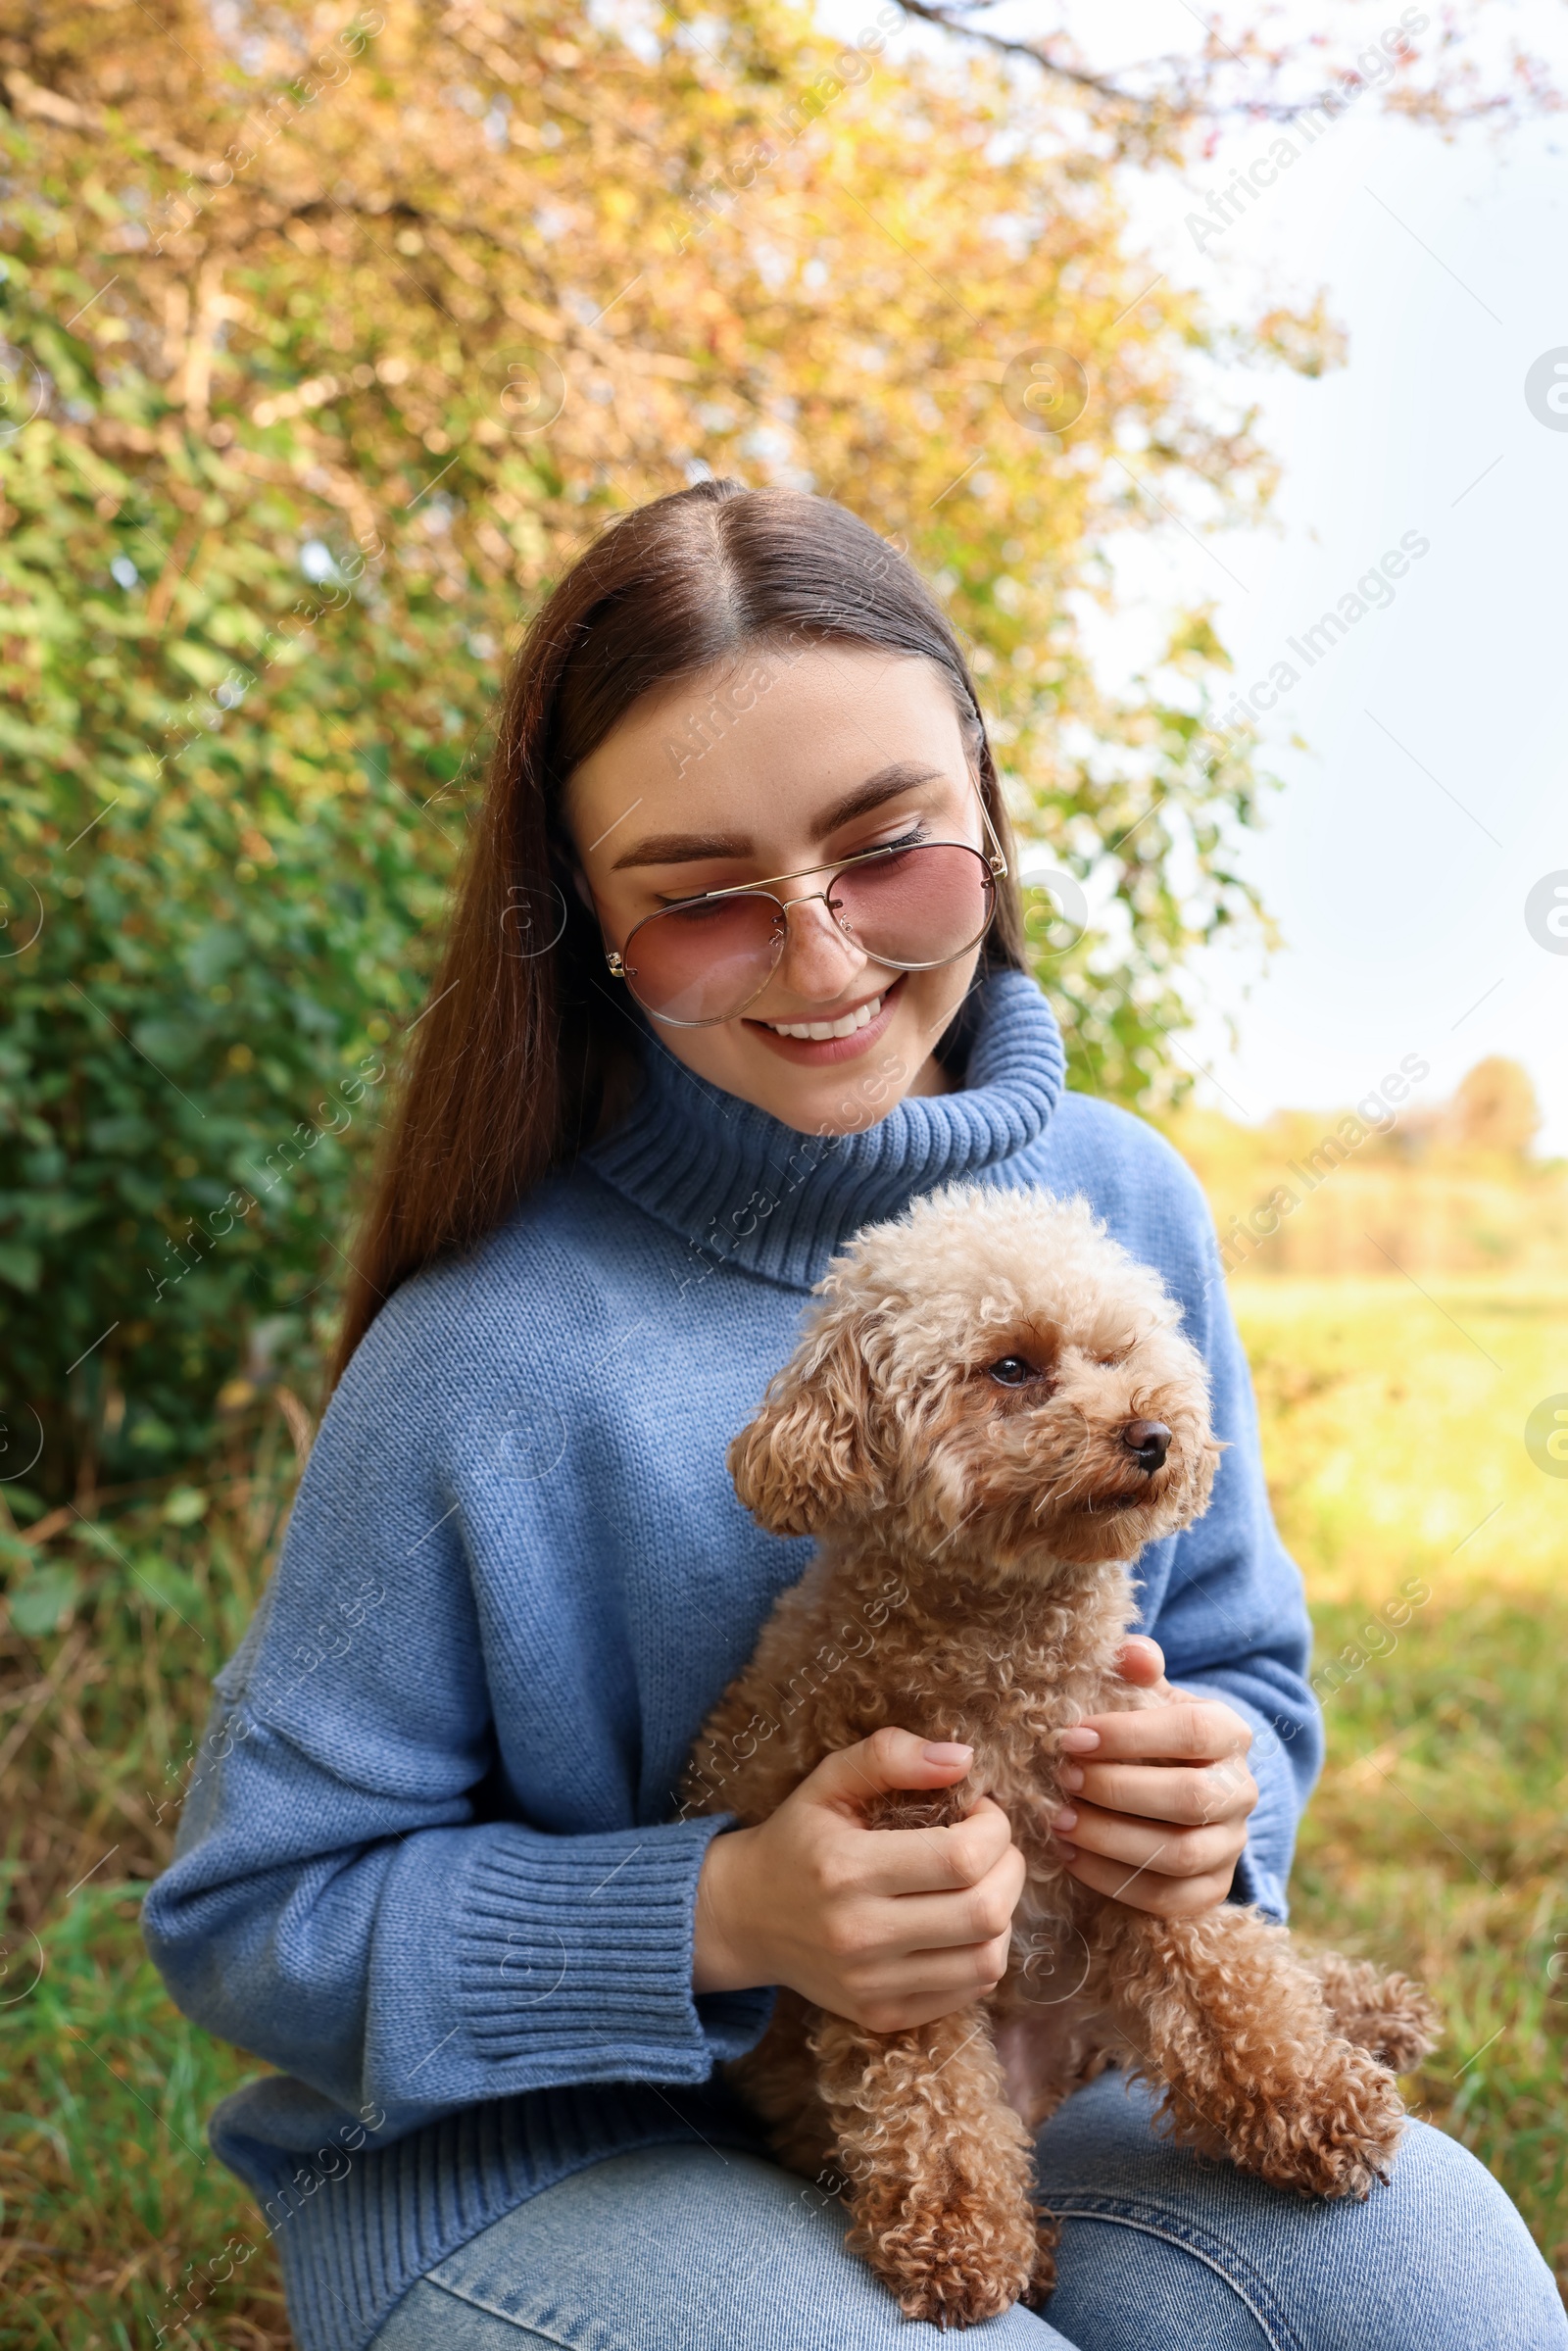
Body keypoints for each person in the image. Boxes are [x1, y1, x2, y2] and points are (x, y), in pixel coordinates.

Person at [143, 481, 1564, 2351]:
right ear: (589, 924)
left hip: (1052, 2048)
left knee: (1438, 2299)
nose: (822, 963)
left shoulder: (1123, 1200)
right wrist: (723, 1916)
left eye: (886, 855)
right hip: (541, 2150)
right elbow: (253, 1923)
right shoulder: (485, 1345)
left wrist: (1211, 1806)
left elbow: (1242, 1677)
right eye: (703, 901)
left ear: (983, 796)